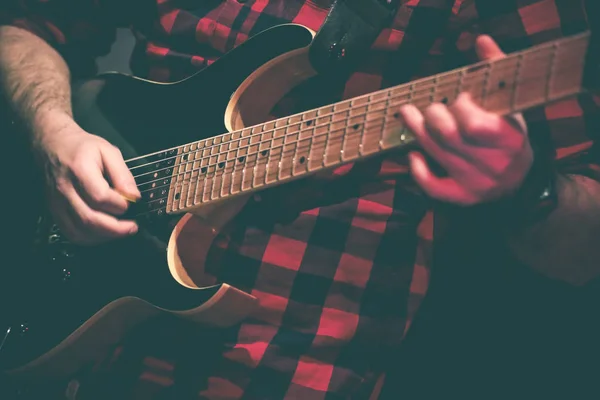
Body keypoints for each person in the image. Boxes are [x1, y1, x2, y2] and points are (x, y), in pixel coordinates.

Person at [0, 0, 599, 398]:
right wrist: (53, 130)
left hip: (286, 363)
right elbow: (25, 24)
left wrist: (528, 189)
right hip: (92, 344)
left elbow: (583, 253)